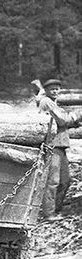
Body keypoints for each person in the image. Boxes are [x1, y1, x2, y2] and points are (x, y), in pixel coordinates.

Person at [34, 77, 82, 221]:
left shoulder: (53, 103)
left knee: (65, 180)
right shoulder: (46, 102)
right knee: (53, 181)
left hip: (60, 145)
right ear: (46, 90)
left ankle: (57, 210)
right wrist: (75, 116)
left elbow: (63, 121)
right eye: (52, 89)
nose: (55, 91)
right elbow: (62, 120)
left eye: (57, 89)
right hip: (52, 145)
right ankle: (48, 213)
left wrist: (71, 121)